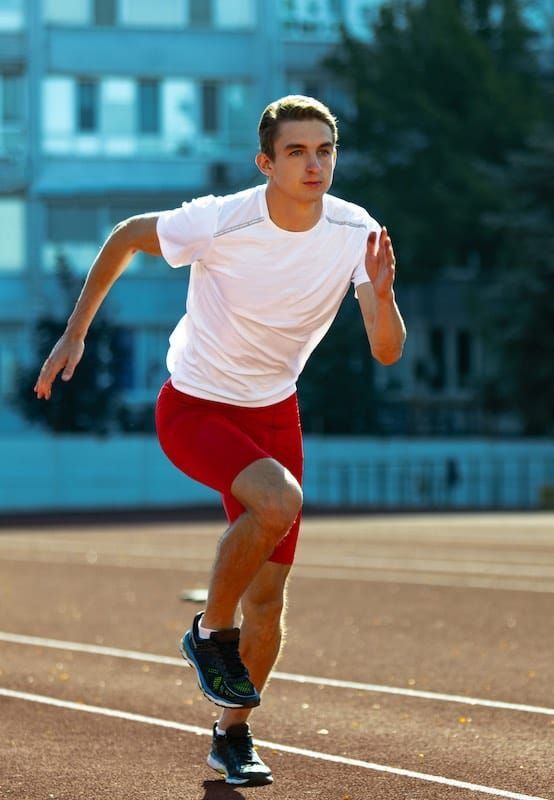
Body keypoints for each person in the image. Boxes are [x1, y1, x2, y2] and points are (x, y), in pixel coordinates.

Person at [34, 95, 406, 787]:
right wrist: (76, 330)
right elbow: (123, 236)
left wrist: (382, 297)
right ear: (266, 162)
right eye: (296, 152)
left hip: (273, 414)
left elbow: (387, 352)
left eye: (324, 150)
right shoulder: (222, 219)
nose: (313, 164)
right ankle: (209, 631)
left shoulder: (356, 232)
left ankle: (232, 736)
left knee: (270, 602)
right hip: (196, 406)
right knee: (278, 501)